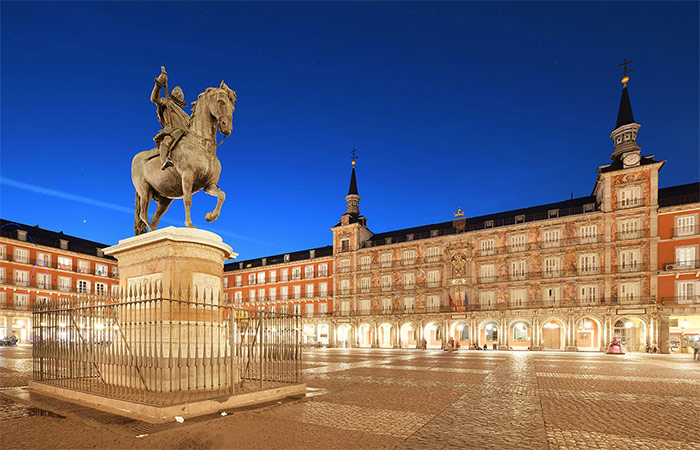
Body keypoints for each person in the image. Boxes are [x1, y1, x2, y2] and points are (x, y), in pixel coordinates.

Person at [151, 67, 191, 170]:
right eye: (177, 94)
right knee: (167, 141)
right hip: (172, 131)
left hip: (186, 134)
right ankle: (164, 161)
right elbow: (154, 99)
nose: (179, 95)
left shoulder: (185, 115)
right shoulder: (167, 103)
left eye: (181, 94)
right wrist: (158, 85)